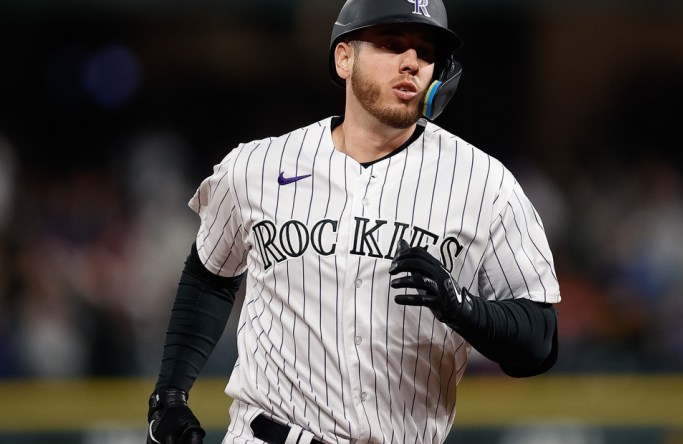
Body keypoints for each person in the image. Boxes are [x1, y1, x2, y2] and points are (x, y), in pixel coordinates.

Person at [146, 0, 561, 443]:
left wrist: (464, 308)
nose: (411, 63)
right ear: (344, 57)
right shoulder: (257, 166)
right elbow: (210, 274)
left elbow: (539, 341)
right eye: (392, 44)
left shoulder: (483, 183)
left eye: (425, 51)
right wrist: (169, 395)